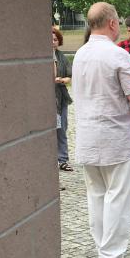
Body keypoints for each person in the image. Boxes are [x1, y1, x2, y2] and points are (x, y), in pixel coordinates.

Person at [72, 2, 130, 258]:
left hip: (88, 134)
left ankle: (103, 247)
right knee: (118, 196)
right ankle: (111, 255)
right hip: (115, 136)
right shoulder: (118, 54)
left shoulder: (80, 54)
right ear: (112, 23)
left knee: (96, 195)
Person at [52, 26, 73, 172]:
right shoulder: (41, 57)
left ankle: (63, 159)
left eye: (55, 39)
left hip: (61, 98)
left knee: (61, 128)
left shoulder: (62, 57)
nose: (53, 42)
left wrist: (63, 80)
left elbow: (69, 76)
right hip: (47, 99)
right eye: (50, 39)